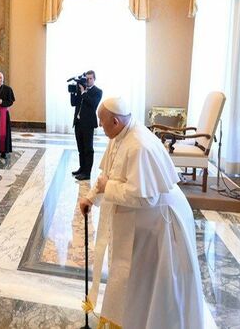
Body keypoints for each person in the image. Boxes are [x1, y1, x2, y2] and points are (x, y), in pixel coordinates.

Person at [78, 97, 203, 329]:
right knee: (130, 277)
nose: (99, 125)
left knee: (153, 283)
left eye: (101, 121)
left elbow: (146, 197)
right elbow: (108, 174)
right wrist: (91, 197)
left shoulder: (139, 145)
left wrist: (107, 188)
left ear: (115, 121)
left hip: (160, 225)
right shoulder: (119, 135)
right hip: (139, 222)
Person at [71, 70, 102, 181]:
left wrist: (84, 92)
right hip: (78, 122)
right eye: (87, 78)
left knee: (88, 149)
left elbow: (93, 104)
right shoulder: (81, 90)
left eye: (90, 79)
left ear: (94, 79)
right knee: (80, 148)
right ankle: (82, 168)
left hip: (88, 124)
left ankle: (87, 173)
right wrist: (73, 92)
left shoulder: (98, 91)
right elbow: (73, 103)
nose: (88, 81)